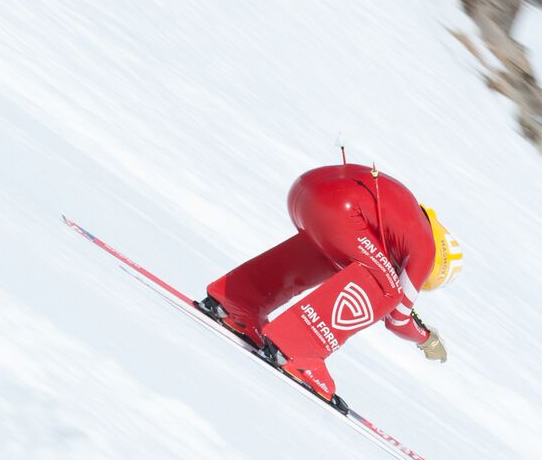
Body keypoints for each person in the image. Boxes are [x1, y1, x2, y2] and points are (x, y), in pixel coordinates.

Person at [197, 162, 462, 406]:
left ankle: (237, 303)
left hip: (307, 192)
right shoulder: (426, 250)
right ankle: (297, 350)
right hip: (340, 209)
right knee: (389, 288)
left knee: (337, 261)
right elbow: (397, 317)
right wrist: (426, 339)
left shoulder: (408, 218)